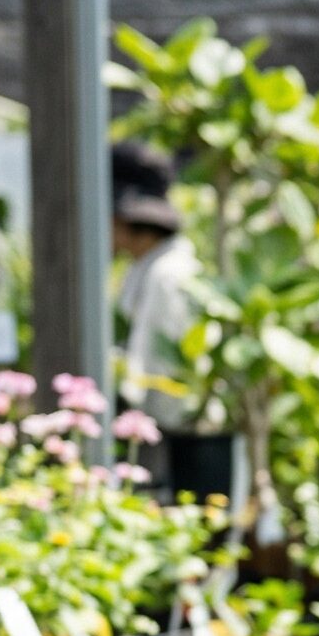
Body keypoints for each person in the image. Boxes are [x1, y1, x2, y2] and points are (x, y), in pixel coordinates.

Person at [110, 142, 200, 428]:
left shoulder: (167, 275)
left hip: (168, 443)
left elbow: (163, 390)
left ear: (123, 220)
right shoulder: (145, 268)